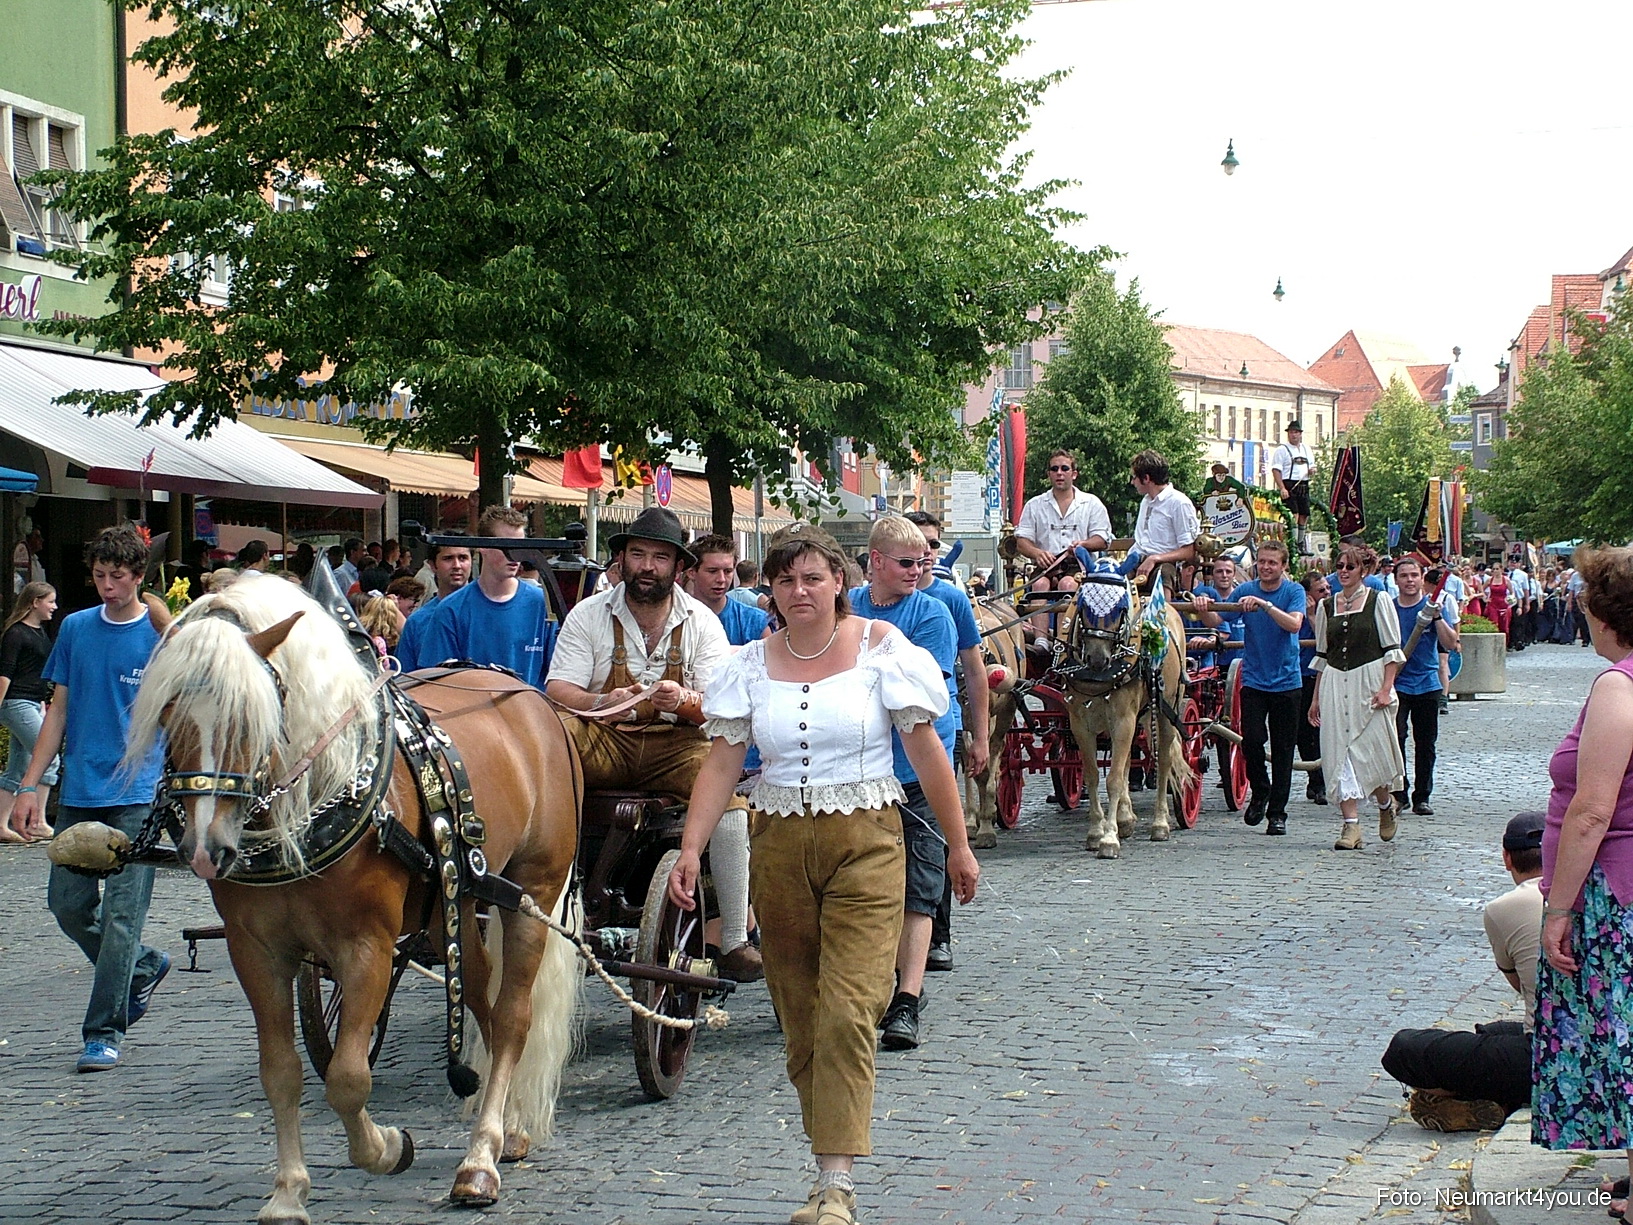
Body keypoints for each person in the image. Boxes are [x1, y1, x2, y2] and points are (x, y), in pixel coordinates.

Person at [667, 523, 979, 1225]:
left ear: (839, 580)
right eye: (784, 580)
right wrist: (690, 847)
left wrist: (958, 845)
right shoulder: (748, 662)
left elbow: (926, 751)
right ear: (770, 590)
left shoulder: (881, 649)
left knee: (847, 1007)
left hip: (866, 839)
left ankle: (834, 1183)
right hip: (778, 841)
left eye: (812, 577)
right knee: (800, 1013)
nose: (799, 591)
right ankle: (825, 1160)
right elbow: (722, 761)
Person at [546, 507, 760, 982]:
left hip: (677, 746)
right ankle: (546, 890)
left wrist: (683, 699)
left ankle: (733, 942)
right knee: (549, 748)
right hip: (606, 738)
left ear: (677, 567)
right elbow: (558, 689)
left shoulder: (701, 621)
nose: (647, 566)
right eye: (637, 554)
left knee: (727, 795)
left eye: (659, 557)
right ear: (620, 560)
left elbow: (720, 709)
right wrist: (604, 699)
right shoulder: (589, 614)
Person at [7, 525, 171, 1072]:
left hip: (138, 791)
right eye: (99, 576)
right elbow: (56, 711)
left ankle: (103, 1031)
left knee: (123, 917)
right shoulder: (75, 629)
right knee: (67, 906)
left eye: (117, 576)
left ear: (139, 575)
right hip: (81, 787)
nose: (107, 586)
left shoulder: (159, 631)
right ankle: (142, 967)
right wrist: (29, 786)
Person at [1533, 546, 1633, 1219]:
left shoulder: (1617, 686)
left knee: (1621, 1040)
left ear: (1604, 613)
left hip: (1613, 891)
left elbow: (1591, 809)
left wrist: (1556, 907)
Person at [849, 517, 959, 1045]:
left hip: (915, 767)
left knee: (918, 886)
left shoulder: (932, 614)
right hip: (857, 772)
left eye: (922, 563)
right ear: (875, 561)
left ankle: (907, 998)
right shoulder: (845, 605)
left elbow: (915, 694)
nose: (917, 572)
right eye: (905, 563)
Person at [1382, 811, 1544, 1131]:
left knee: (1404, 1049)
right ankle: (1501, 1097)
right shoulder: (1593, 895)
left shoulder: (1502, 909)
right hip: (1590, 1040)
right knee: (1493, 1032)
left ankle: (1483, 1096)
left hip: (1548, 1052)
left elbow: (1520, 985)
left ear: (1506, 859)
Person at [906, 511, 989, 974]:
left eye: (932, 546)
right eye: (916, 546)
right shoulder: (863, 602)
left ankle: (939, 932)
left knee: (936, 831)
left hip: (940, 729)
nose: (924, 556)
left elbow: (974, 670)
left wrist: (980, 735)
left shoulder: (950, 599)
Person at [1192, 539, 1306, 835]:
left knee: (1283, 749)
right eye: (1262, 562)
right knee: (1251, 740)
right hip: (1254, 678)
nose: (1266, 567)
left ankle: (1278, 813)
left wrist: (1266, 606)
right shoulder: (1245, 590)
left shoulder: (1293, 591)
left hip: (1286, 681)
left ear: (1283, 566)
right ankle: (1261, 789)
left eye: (1272, 563)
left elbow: (1294, 625)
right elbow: (1217, 618)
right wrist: (1202, 607)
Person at [1309, 541, 1406, 850]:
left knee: (1373, 756)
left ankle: (1384, 804)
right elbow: (1323, 656)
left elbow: (1392, 650)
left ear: (1364, 570)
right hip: (1336, 683)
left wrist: (1386, 688)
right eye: (1340, 567)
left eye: (1350, 567)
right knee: (1341, 754)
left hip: (1370, 681)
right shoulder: (1326, 606)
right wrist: (1315, 698)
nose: (1344, 572)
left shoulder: (1379, 601)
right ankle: (1351, 827)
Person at [413, 505, 557, 683]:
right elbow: (436, 683)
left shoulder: (543, 605)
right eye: (506, 546)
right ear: (483, 547)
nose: (515, 556)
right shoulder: (450, 610)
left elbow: (558, 675)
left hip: (533, 708)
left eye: (522, 546)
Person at [1013, 450, 1111, 634]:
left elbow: (1102, 539)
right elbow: (1022, 541)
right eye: (1054, 469)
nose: (1059, 473)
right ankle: (1041, 638)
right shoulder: (1035, 504)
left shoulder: (1092, 503)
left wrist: (1083, 545)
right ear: (1048, 474)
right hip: (1047, 565)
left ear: (1074, 474)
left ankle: (1063, 639)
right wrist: (1037, 554)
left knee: (1067, 584)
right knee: (1039, 584)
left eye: (1064, 468)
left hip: (1079, 565)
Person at [1392, 556, 1459, 817]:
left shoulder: (1433, 606)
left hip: (1427, 683)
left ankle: (1422, 796)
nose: (1409, 580)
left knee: (1426, 743)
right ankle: (1400, 792)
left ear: (1422, 579)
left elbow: (1451, 643)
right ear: (1396, 580)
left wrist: (1437, 618)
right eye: (1404, 576)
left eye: (1414, 575)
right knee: (1395, 741)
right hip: (1397, 683)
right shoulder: (1389, 608)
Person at [0, 581, 59, 842]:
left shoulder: (39, 633)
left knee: (18, 766)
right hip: (16, 702)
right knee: (48, 757)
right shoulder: (16, 633)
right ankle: (38, 821)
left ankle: (1, 825)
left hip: (32, 702)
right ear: (35, 602)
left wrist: (43, 703)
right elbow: (5, 674)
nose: (54, 607)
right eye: (50, 601)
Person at [1118, 449, 1199, 587]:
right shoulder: (1146, 501)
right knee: (1108, 578)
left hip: (1166, 563)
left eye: (1134, 477)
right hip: (1137, 559)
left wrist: (1155, 559)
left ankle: (1163, 609)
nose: (1132, 482)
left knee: (1163, 576)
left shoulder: (1179, 503)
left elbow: (1188, 551)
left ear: (1146, 478)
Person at [692, 535, 770, 647]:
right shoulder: (674, 618)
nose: (721, 579)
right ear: (692, 572)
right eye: (712, 571)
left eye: (728, 571)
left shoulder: (754, 621)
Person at [1297, 572, 1329, 805]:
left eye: (1327, 588)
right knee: (1303, 733)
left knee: (1320, 731)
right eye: (1321, 591)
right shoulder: (1299, 611)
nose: (1327, 593)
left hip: (1322, 677)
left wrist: (1313, 615)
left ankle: (1322, 781)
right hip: (1300, 676)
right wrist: (1308, 613)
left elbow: (1327, 641)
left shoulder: (1331, 610)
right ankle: (1314, 779)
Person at [1270, 420, 1316, 554]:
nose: (1293, 435)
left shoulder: (1306, 449)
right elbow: (1276, 470)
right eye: (1291, 432)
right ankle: (1293, 544)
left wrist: (1312, 470)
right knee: (1293, 514)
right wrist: (1282, 488)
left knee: (1304, 514)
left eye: (1296, 432)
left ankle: (1300, 543)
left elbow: (1312, 465)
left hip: (1303, 484)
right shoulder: (1282, 450)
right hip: (1289, 484)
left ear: (1300, 434)